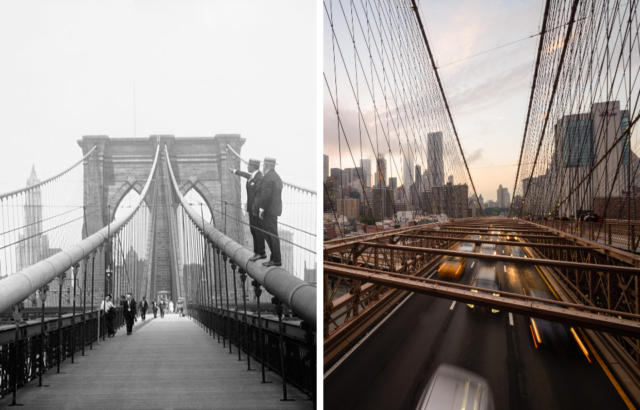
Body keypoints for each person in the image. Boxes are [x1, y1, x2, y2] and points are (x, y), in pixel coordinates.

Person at [230, 159, 266, 262]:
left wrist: (257, 209)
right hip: (251, 209)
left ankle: (261, 253)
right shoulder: (253, 176)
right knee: (253, 231)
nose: (247, 167)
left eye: (248, 165)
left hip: (255, 210)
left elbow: (260, 195)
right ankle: (257, 252)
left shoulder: (259, 178)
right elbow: (246, 175)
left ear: (253, 166)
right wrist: (235, 171)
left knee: (258, 231)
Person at [252, 157, 283, 267]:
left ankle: (275, 259)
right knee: (271, 233)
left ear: (267, 165)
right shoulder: (277, 177)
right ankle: (274, 258)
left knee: (271, 234)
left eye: (264, 164)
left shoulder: (268, 177)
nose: (262, 166)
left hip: (268, 211)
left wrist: (261, 209)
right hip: (274, 210)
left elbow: (266, 195)